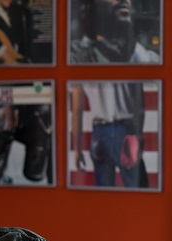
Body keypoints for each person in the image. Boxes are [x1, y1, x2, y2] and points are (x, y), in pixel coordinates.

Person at [69, 0, 159, 188]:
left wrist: (77, 150)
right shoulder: (132, 52)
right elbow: (139, 102)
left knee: (102, 193)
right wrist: (139, 136)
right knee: (139, 191)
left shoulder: (80, 55)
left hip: (98, 133)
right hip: (125, 129)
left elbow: (76, 110)